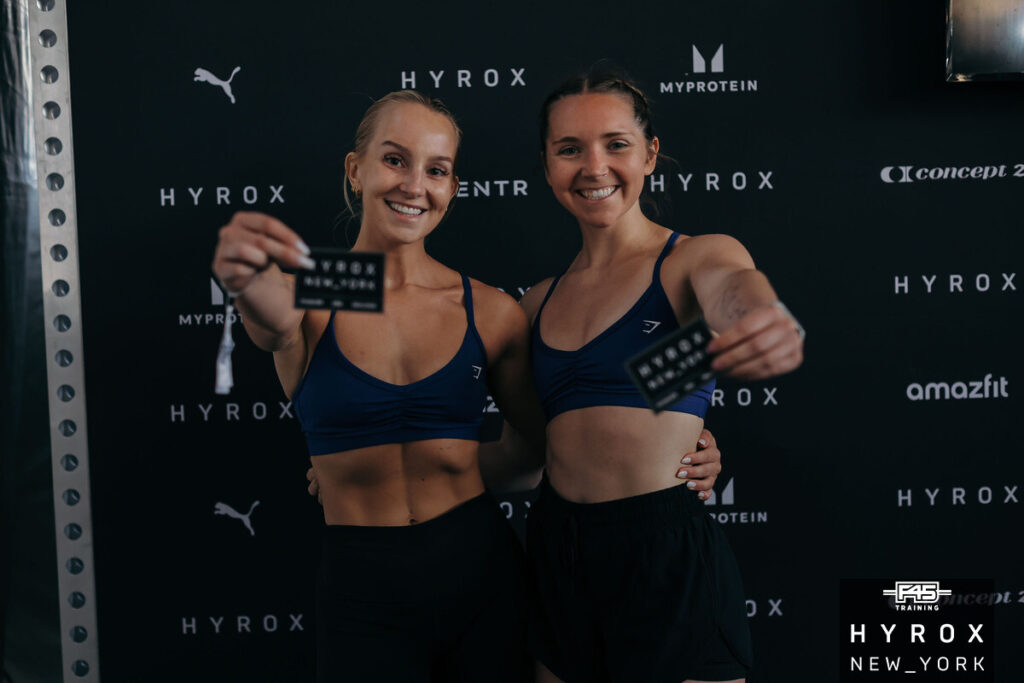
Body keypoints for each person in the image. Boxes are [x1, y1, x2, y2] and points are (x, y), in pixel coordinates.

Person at [213, 90, 724, 682]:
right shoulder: (307, 293)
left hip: (482, 576)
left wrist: (683, 441)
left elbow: (546, 445)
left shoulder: (492, 310)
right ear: (356, 170)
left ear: (453, 188)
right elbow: (270, 321)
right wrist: (242, 270)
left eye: (437, 170)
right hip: (360, 586)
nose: (414, 185)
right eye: (394, 160)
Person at [520, 73, 805, 683]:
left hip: (664, 552)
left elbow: (735, 290)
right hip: (556, 551)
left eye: (615, 144)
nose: (594, 166)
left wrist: (758, 317)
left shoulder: (694, 258)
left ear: (649, 154)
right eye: (569, 148)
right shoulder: (534, 304)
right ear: (546, 166)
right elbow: (521, 453)